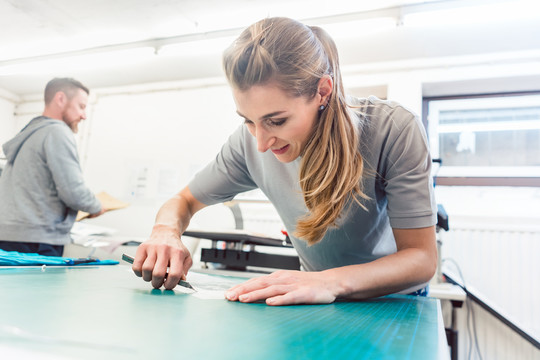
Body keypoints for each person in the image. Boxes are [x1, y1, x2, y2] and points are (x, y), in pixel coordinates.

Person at [131, 17, 438, 305]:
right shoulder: (248, 143)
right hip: (316, 293)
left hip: (394, 299)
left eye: (276, 121)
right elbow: (182, 201)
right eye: (248, 121)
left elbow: (421, 259)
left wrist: (329, 282)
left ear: (322, 92)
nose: (261, 143)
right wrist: (165, 232)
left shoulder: (395, 129)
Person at [0, 77, 105, 257]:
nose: (84, 115)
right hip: (37, 241)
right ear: (61, 99)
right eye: (81, 106)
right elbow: (73, 191)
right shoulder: (57, 131)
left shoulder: (29, 134)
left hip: (9, 235)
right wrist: (96, 206)